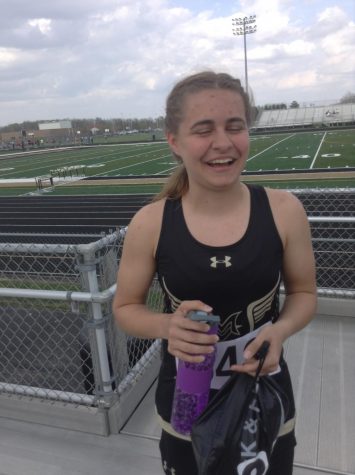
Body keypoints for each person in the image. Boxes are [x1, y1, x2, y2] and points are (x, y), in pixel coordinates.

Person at [112, 71, 317, 474]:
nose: (222, 143)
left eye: (234, 126)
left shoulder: (284, 210)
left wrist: (278, 330)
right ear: (174, 140)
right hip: (187, 408)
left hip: (266, 398)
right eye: (203, 130)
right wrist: (168, 326)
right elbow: (126, 308)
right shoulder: (151, 222)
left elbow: (304, 295)